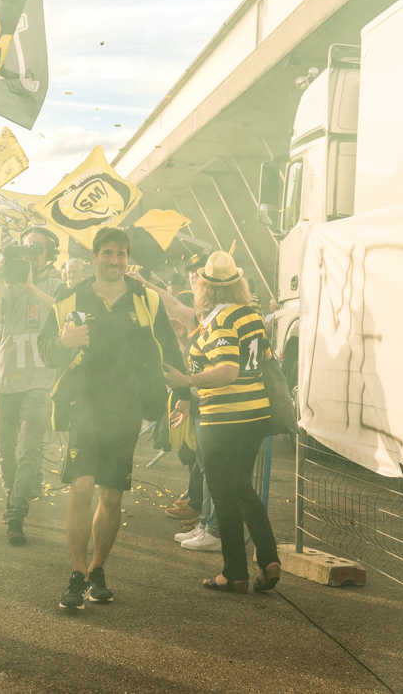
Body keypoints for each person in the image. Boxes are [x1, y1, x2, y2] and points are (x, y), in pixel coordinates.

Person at [38, 227, 182, 610]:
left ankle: (98, 569)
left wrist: (182, 395)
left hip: (127, 409)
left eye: (121, 254)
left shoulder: (145, 300)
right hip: (82, 405)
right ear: (94, 257)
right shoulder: (70, 297)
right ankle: (76, 572)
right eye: (107, 253)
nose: (115, 260)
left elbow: (167, 349)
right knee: (82, 486)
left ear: (128, 258)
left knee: (111, 494)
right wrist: (63, 343)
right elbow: (45, 349)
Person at [163, 251, 281, 594]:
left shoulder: (221, 321)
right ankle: (269, 558)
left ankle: (234, 572)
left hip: (223, 417)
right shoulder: (250, 315)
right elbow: (261, 361)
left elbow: (227, 371)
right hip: (256, 414)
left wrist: (187, 382)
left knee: (224, 494)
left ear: (206, 287)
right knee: (244, 487)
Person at [0, 227, 63, 545]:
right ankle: (15, 498)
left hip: (40, 380)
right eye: (27, 248)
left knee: (29, 448)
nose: (33, 254)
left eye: (39, 248)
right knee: (4, 451)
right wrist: (2, 282)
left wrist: (31, 287)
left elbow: (67, 313)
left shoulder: (56, 285)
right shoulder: (6, 286)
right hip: (5, 377)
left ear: (51, 254)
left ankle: (15, 513)